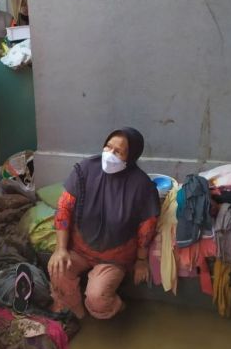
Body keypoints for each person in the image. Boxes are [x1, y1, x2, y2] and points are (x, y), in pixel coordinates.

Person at [48, 127, 160, 319]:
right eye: (108, 147)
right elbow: (64, 208)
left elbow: (146, 227)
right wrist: (61, 249)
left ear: (130, 158)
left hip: (114, 256)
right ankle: (76, 313)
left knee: (98, 300)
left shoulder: (141, 186)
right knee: (58, 269)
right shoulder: (85, 170)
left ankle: (117, 306)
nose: (109, 155)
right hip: (81, 248)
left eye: (118, 152)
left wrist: (141, 260)